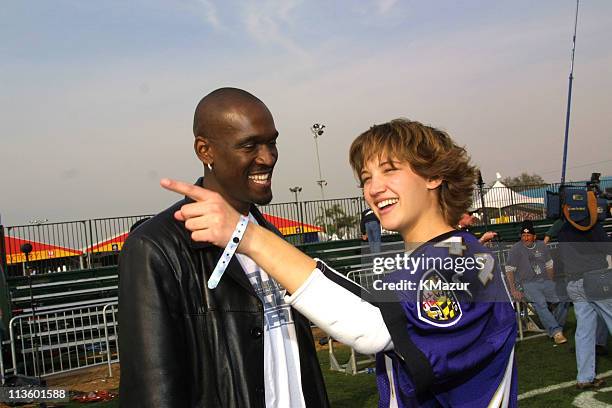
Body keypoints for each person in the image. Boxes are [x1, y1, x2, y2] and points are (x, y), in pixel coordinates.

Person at [163, 118, 518, 407]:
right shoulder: (432, 259)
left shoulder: (465, 261)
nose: (374, 189)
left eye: (390, 170)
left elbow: (372, 329)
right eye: (366, 178)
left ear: (434, 175)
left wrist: (248, 236)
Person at [118, 88, 329, 407]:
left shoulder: (271, 240)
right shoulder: (155, 248)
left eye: (271, 142)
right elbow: (153, 390)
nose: (268, 157)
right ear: (205, 151)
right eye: (250, 145)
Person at [559, 220, 612, 389]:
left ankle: (584, 377)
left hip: (574, 282)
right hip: (596, 278)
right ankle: (585, 376)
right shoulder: (591, 225)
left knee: (584, 330)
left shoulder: (563, 228)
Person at [504, 220, 567, 344]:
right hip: (525, 284)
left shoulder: (541, 246)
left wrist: (551, 283)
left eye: (528, 235)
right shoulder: (516, 249)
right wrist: (513, 289)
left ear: (534, 236)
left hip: (544, 281)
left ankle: (555, 326)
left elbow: (549, 265)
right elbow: (509, 270)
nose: (526, 238)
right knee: (540, 302)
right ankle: (556, 332)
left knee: (563, 299)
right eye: (523, 236)